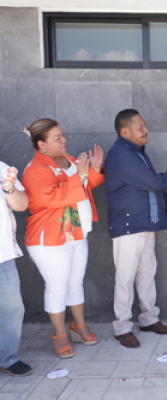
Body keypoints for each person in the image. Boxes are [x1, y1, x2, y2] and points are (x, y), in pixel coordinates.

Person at [22, 118, 104, 359]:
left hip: (75, 231)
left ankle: (78, 327)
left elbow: (86, 186)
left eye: (63, 135)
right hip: (49, 238)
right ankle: (59, 335)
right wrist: (79, 176)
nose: (64, 140)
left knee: (75, 282)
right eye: (57, 138)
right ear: (41, 145)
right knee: (57, 287)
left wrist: (94, 169)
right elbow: (57, 197)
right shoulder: (34, 170)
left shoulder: (67, 160)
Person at [105, 109, 167, 348]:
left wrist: (165, 199)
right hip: (129, 228)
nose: (146, 130)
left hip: (144, 224)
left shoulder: (134, 152)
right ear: (125, 131)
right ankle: (122, 327)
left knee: (146, 275)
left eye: (145, 126)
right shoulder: (121, 153)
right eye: (141, 127)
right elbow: (150, 182)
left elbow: (142, 188)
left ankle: (149, 319)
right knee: (125, 279)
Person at [0, 163, 32, 376]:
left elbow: (22, 205)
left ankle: (8, 358)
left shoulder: (1, 167)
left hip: (2, 255)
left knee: (13, 308)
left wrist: (10, 189)